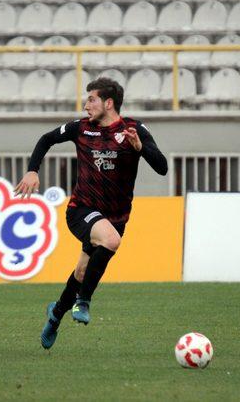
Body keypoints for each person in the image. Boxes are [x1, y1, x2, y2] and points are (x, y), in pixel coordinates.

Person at [14, 77, 168, 349]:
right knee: (111, 241)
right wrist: (32, 170)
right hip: (81, 210)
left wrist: (140, 149)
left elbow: (162, 167)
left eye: (91, 99)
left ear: (108, 103)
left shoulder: (134, 129)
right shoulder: (81, 129)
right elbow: (46, 139)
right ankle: (82, 302)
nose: (86, 106)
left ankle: (56, 313)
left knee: (82, 272)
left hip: (116, 217)